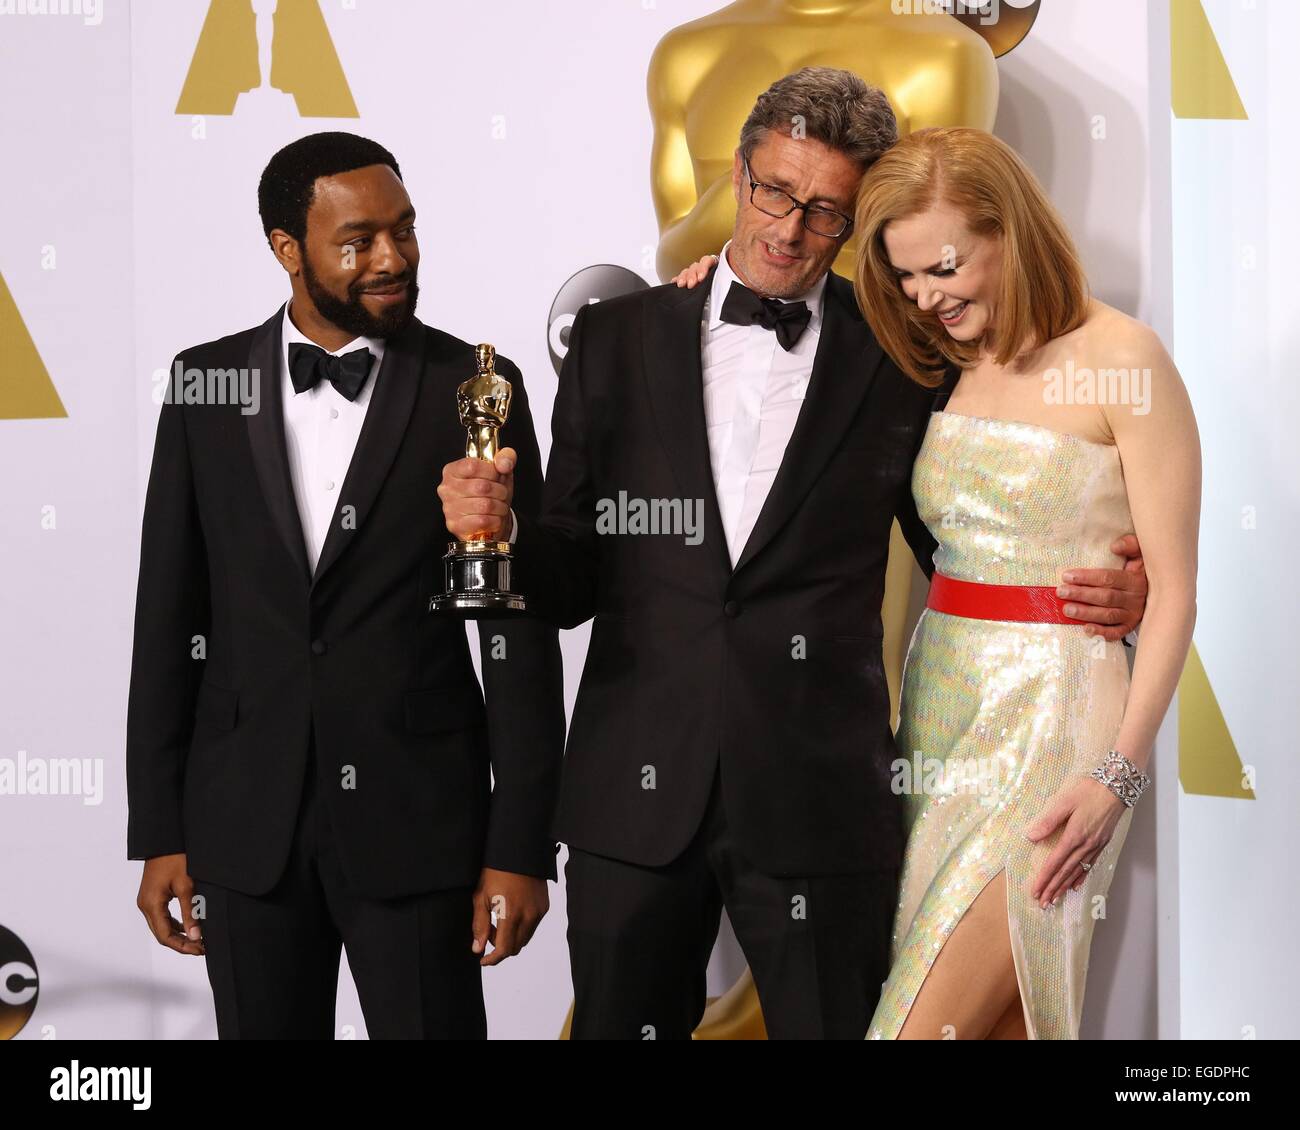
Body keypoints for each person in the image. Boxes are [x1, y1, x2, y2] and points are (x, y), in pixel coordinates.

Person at [437, 69, 1147, 1039]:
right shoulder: (614, 340)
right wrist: (501, 535)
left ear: (858, 220)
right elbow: (570, 574)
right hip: (631, 801)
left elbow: (967, 531)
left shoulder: (900, 358)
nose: (787, 229)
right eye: (774, 191)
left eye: (824, 212)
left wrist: (1112, 571)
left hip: (820, 802)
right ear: (738, 170)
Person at [126, 132, 564, 1039]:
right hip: (244, 832)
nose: (393, 259)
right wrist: (161, 828)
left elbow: (514, 632)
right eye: (358, 240)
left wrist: (520, 845)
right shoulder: (203, 383)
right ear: (287, 250)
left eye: (404, 231)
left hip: (421, 826)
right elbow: (168, 616)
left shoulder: (473, 385)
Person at [851, 126, 1199, 1039]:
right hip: (937, 714)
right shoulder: (937, 364)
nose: (926, 297)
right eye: (907, 277)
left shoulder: (1126, 359)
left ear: (1011, 230)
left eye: (947, 266)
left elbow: (1174, 594)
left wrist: (1117, 777)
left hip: (1056, 722)